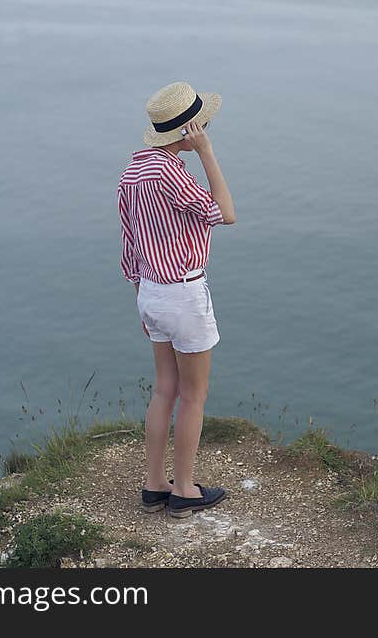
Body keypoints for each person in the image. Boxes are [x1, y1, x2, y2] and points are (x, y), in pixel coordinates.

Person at [117, 81, 237, 519]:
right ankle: (184, 489)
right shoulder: (172, 172)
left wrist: (141, 303)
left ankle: (154, 485)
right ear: (188, 130)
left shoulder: (133, 171)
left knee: (164, 388)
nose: (206, 128)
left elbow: (130, 247)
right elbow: (225, 212)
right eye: (201, 124)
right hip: (183, 292)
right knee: (193, 394)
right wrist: (206, 152)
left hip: (149, 292)